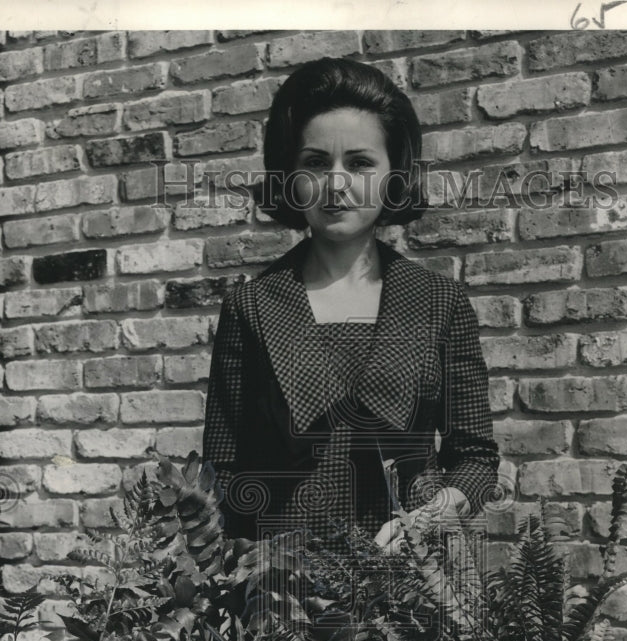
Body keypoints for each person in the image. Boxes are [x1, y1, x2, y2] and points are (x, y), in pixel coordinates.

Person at [202, 57, 499, 552]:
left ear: (393, 175)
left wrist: (430, 517)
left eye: (360, 163)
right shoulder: (251, 306)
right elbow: (224, 471)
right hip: (282, 593)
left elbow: (476, 458)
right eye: (316, 163)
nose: (336, 184)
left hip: (410, 585)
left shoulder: (438, 303)